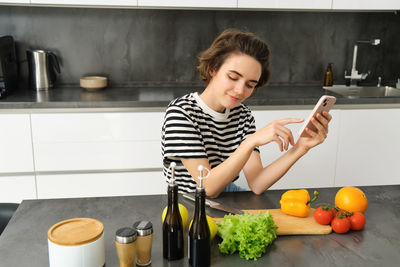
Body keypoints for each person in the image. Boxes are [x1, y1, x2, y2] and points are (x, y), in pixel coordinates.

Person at [161, 29, 332, 198]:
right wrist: (250, 141)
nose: (240, 90)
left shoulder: (243, 115)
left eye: (250, 85)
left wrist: (300, 148)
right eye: (233, 77)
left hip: (225, 198)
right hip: (188, 205)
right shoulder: (181, 113)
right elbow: (208, 187)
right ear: (213, 69)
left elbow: (257, 183)